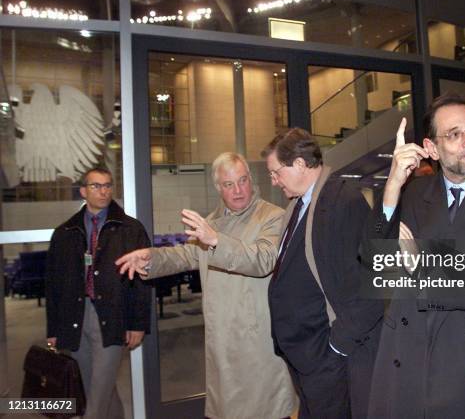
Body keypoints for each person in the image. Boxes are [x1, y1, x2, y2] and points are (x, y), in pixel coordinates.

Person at [363, 93, 465, 418]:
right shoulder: (415, 192)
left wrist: (421, 263)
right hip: (404, 356)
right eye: (454, 134)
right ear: (431, 149)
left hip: (463, 362)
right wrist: (393, 183)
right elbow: (373, 261)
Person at [116, 152, 297, 419]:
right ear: (218, 188)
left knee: (265, 411)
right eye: (228, 184)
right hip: (222, 342)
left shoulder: (273, 217)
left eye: (243, 180)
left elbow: (263, 259)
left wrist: (215, 241)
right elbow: (185, 254)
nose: (238, 190)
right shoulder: (212, 222)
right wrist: (151, 258)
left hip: (258, 342)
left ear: (251, 179)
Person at [261, 128, 383, 419]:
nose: (274, 181)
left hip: (326, 355)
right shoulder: (297, 206)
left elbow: (374, 280)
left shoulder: (344, 200)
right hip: (304, 353)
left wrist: (336, 346)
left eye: (276, 172)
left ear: (301, 164)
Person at [45, 167, 151, 419]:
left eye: (107, 185)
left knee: (98, 394)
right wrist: (53, 329)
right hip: (76, 316)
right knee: (97, 386)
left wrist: (137, 324)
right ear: (83, 191)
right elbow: (53, 285)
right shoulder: (65, 232)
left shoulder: (130, 228)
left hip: (113, 316)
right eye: (96, 186)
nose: (103, 191)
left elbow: (143, 282)